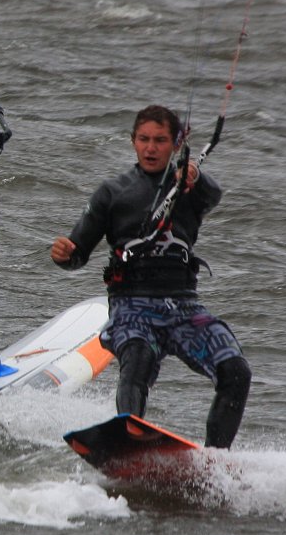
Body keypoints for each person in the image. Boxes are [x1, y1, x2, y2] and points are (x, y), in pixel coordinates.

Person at [51, 105, 251, 448]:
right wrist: (66, 255)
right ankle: (129, 441)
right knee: (138, 359)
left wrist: (194, 177)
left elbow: (212, 195)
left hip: (184, 307)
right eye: (143, 139)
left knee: (236, 373)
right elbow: (78, 253)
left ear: (175, 144)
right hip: (132, 305)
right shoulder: (112, 192)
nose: (151, 147)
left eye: (160, 140)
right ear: (133, 142)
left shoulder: (188, 188)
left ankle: (216, 460)